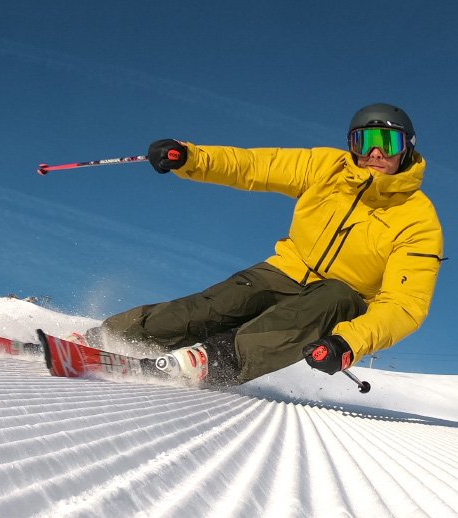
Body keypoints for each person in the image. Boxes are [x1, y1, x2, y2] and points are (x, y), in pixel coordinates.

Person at [88, 103, 444, 385]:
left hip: (339, 298)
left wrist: (349, 342)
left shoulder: (418, 220)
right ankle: (108, 337)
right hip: (284, 270)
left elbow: (404, 304)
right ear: (352, 145)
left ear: (407, 150)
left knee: (333, 296)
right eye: (364, 142)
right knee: (213, 307)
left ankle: (215, 361)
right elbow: (256, 166)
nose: (376, 154)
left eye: (389, 143)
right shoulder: (327, 168)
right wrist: (192, 159)